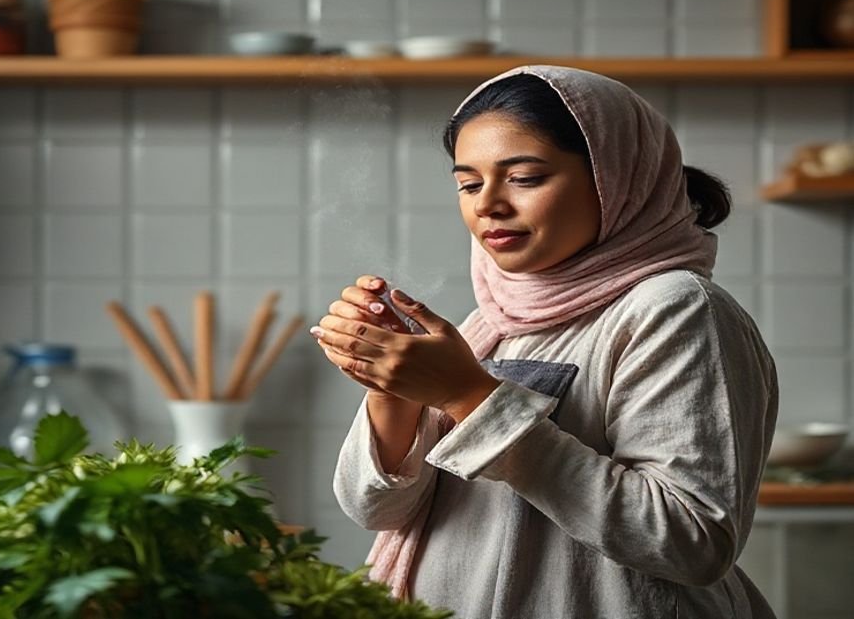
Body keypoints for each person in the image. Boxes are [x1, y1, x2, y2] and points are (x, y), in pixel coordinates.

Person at [310, 65, 778, 619]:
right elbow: (378, 510)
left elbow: (691, 539)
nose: (487, 204)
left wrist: (468, 398)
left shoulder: (675, 308)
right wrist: (395, 388)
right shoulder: (492, 320)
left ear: (616, 177)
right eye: (467, 183)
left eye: (525, 178)